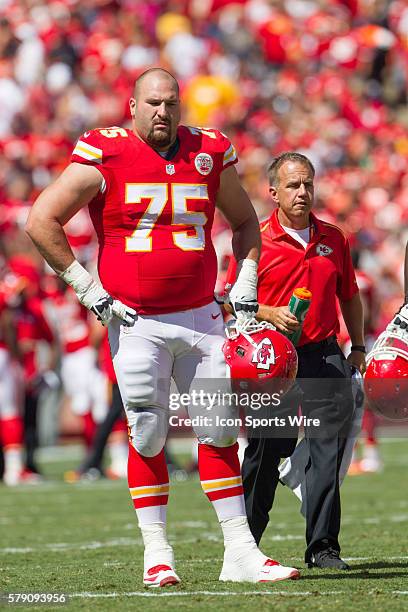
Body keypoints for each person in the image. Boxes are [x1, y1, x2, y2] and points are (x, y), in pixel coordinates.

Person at [25, 68, 300, 586]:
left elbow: (245, 222)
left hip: (201, 316)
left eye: (171, 103)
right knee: (148, 433)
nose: (162, 112)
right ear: (132, 106)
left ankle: (240, 552)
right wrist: (87, 289)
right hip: (136, 320)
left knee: (219, 431)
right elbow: (42, 219)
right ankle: (157, 553)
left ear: (182, 107)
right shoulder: (104, 151)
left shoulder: (209, 151)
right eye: (152, 103)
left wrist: (245, 284)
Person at [226, 152, 365, 570]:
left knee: (328, 452)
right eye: (292, 185)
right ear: (273, 192)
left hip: (323, 353)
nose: (302, 192)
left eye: (307, 184)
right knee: (266, 453)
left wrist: (356, 345)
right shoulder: (255, 240)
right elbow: (234, 302)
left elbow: (350, 295)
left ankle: (323, 548)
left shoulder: (334, 238)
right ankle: (245, 543)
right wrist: (268, 313)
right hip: (272, 360)